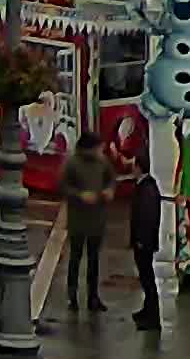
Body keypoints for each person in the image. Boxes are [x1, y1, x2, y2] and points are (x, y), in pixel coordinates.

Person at [56, 139, 116, 316]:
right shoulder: (72, 164)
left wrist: (109, 190)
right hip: (78, 219)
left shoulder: (103, 162)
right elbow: (62, 186)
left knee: (94, 260)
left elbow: (111, 179)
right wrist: (80, 195)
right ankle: (72, 296)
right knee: (75, 258)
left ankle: (93, 297)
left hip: (97, 219)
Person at [126, 161, 167, 335]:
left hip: (144, 242)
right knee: (145, 277)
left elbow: (147, 217)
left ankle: (152, 318)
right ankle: (147, 311)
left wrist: (142, 239)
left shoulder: (147, 189)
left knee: (147, 278)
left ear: (139, 167)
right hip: (142, 240)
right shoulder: (145, 186)